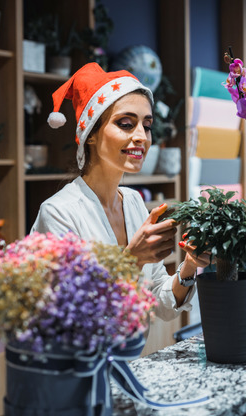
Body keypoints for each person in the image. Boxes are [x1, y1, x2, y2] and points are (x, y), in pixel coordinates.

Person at [31, 63, 210, 321]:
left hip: (131, 359)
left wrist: (190, 266)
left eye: (146, 126)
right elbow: (73, 316)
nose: (142, 136)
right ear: (90, 134)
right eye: (126, 124)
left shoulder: (134, 202)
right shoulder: (58, 212)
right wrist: (132, 259)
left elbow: (161, 305)